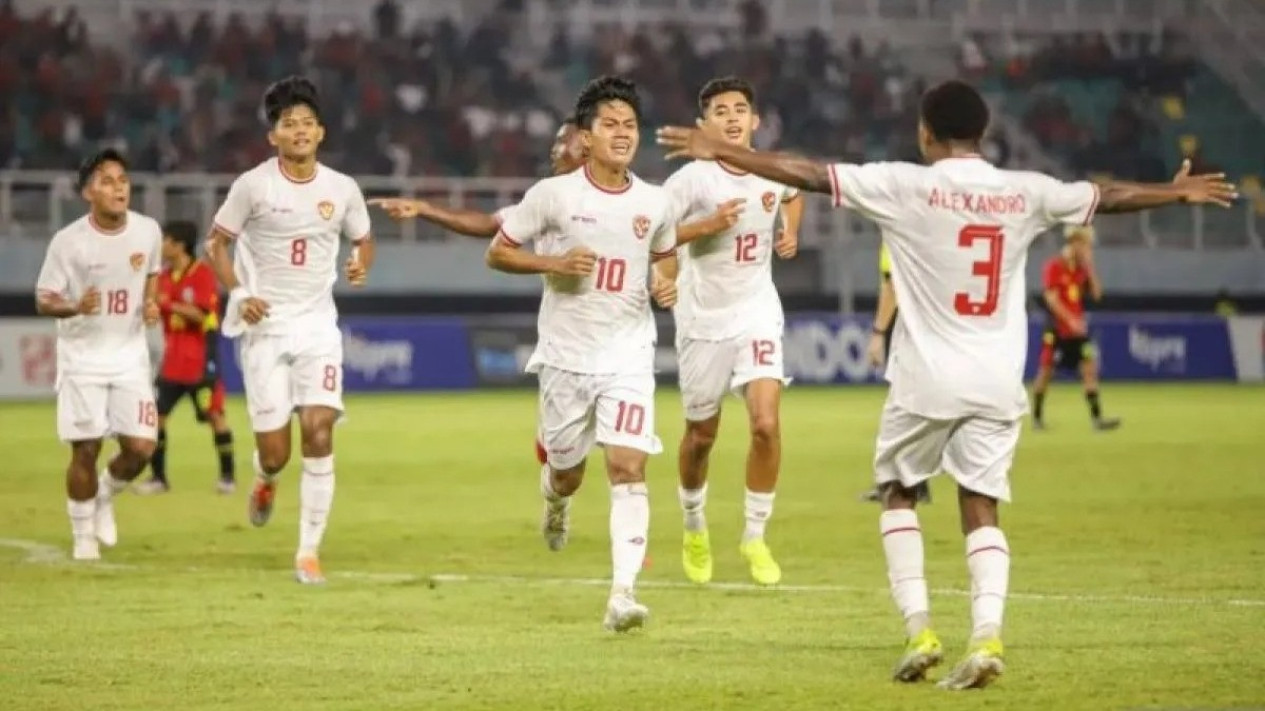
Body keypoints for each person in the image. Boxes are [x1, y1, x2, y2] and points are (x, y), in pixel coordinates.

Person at [657, 79, 1236, 689]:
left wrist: (723, 151)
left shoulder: (904, 185)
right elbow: (1106, 196)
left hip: (925, 379)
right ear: (982, 133)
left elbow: (807, 174)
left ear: (925, 133)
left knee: (899, 492)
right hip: (996, 381)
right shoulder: (1025, 190)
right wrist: (1174, 191)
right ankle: (986, 637)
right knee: (981, 503)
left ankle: (921, 631)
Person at [486, 76, 679, 632]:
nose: (622, 134)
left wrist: (666, 282)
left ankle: (623, 594)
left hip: (629, 354)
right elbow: (498, 253)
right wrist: (554, 263)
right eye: (610, 124)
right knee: (567, 474)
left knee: (628, 466)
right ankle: (555, 501)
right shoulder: (554, 196)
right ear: (586, 137)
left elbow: (665, 256)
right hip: (566, 357)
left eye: (630, 125)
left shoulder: (655, 202)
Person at [204, 76, 375, 585]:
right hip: (265, 329)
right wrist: (239, 294)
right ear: (272, 135)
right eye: (288, 123)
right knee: (277, 453)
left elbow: (364, 238)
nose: (299, 130)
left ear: (321, 132)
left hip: (318, 327)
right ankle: (265, 477)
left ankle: (308, 552)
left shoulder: (342, 189)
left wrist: (360, 262)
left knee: (319, 431)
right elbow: (216, 244)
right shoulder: (253, 186)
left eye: (307, 123)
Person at [660, 76, 803, 586]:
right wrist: (702, 231)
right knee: (701, 437)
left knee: (765, 424)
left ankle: (755, 536)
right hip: (702, 320)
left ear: (755, 120)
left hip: (757, 311)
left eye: (740, 109)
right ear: (704, 125)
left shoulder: (771, 169)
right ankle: (694, 524)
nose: (732, 118)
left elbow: (794, 193)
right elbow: (653, 233)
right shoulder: (691, 181)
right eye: (720, 111)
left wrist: (790, 229)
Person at [35, 148, 162, 561]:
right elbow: (44, 298)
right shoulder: (68, 242)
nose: (118, 188)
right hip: (83, 358)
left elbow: (152, 273)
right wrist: (75, 306)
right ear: (88, 192)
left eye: (122, 180)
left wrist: (150, 302)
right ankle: (83, 537)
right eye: (107, 181)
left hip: (130, 357)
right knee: (85, 449)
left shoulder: (148, 231)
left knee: (142, 448)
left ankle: (104, 495)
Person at [134, 220, 237, 495]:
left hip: (200, 362)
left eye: (165, 240)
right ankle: (158, 479)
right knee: (156, 418)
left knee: (215, 416)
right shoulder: (164, 276)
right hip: (171, 363)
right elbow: (150, 306)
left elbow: (201, 315)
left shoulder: (202, 274)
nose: (161, 246)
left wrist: (166, 304)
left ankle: (227, 477)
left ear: (179, 245)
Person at [860, 243, 932, 505]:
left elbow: (893, 285)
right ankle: (914, 480)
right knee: (917, 403)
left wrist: (878, 332)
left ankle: (903, 481)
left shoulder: (896, 232)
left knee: (904, 404)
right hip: (934, 324)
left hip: (910, 326)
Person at [1031, 225, 1120, 431]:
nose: (1088, 249)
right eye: (1086, 245)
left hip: (1078, 331)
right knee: (1046, 371)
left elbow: (1097, 294)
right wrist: (1070, 319)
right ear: (1075, 243)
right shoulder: (1054, 266)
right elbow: (1052, 299)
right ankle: (1037, 418)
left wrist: (1090, 267)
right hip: (1056, 330)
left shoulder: (1081, 270)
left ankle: (1097, 419)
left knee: (1089, 369)